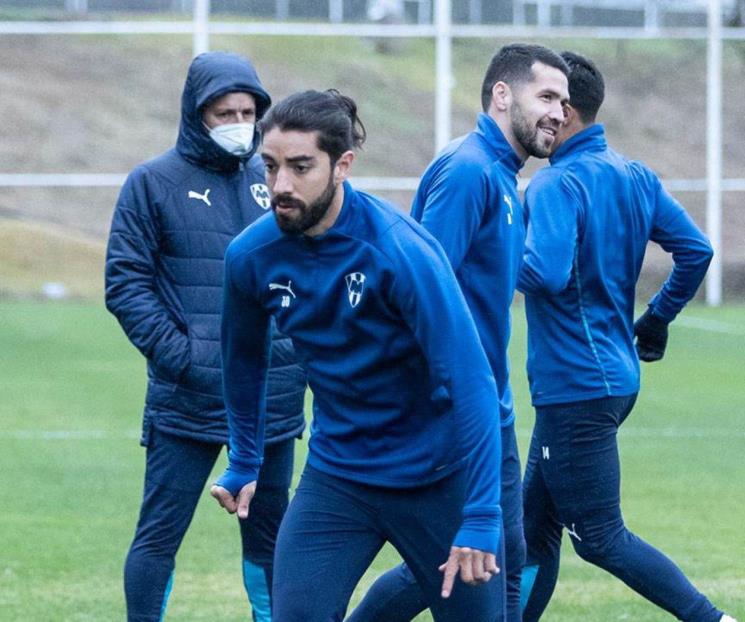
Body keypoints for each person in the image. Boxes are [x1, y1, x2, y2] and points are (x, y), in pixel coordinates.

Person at [211, 89, 505, 622]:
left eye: (301, 167)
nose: (280, 185)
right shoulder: (250, 257)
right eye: (270, 166)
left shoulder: (401, 251)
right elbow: (243, 363)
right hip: (338, 478)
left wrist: (483, 514)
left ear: (342, 164)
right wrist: (244, 460)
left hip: (438, 478)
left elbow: (472, 383)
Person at [347, 43, 569, 622]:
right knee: (462, 557)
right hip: (456, 406)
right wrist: (447, 399)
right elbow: (421, 291)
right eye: (546, 96)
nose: (559, 112)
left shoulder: (502, 176)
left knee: (506, 551)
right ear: (502, 95)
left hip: (490, 399)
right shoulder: (469, 170)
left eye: (564, 102)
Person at [517, 51, 736, 622]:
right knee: (530, 528)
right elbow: (697, 250)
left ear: (564, 110)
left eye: (543, 101)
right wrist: (656, 318)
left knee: (598, 537)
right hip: (610, 378)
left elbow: (543, 272)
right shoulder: (634, 175)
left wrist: (484, 250)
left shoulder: (555, 185)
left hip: (577, 387)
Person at [105, 51, 306, 622]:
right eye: (225, 112)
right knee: (158, 538)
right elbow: (125, 284)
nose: (239, 122)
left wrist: (297, 354)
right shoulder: (151, 182)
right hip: (187, 399)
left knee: (271, 543)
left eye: (249, 111)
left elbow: (309, 268)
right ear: (198, 115)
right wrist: (185, 358)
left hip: (274, 398)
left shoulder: (275, 178)